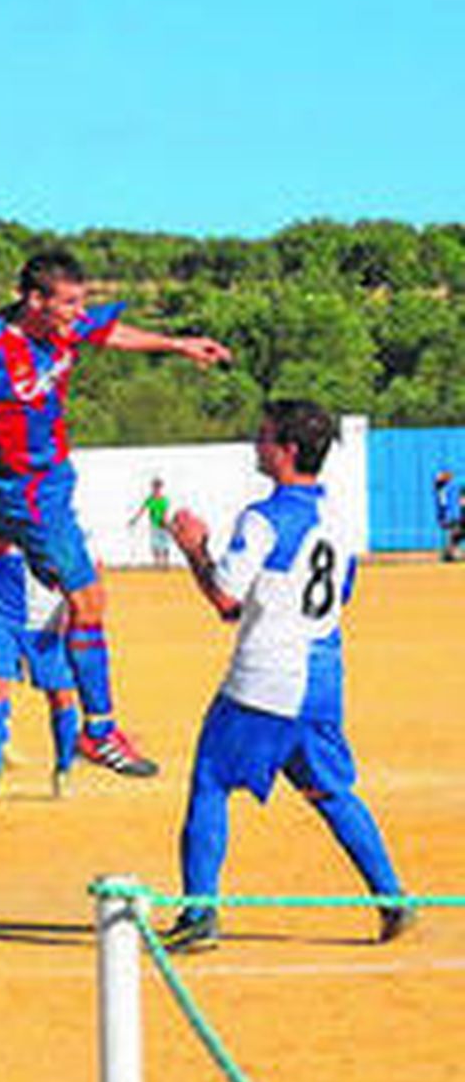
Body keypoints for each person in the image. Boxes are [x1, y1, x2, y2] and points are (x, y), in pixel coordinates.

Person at [0, 248, 230, 778]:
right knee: (89, 601)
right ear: (34, 301)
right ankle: (100, 730)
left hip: (47, 481)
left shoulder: (66, 327)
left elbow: (110, 332)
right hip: (28, 492)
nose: (79, 313)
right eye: (69, 303)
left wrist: (177, 344)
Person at [159, 400, 410, 954]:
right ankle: (391, 897)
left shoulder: (265, 517)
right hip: (321, 678)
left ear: (288, 450)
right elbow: (336, 596)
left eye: (265, 437)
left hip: (266, 678)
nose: (257, 444)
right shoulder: (339, 520)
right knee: (331, 791)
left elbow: (225, 595)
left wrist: (195, 547)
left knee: (211, 782)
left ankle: (200, 914)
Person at [0, 550, 80, 804]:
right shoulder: (0, 519)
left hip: (47, 623)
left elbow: (88, 573)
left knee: (62, 697)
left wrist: (76, 613)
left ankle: (64, 770)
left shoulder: (62, 524)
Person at [129, 477, 173, 568]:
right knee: (155, 545)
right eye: (154, 487)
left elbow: (166, 513)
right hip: (154, 526)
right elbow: (142, 510)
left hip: (163, 526)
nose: (156, 489)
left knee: (165, 545)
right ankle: (157, 563)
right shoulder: (150, 500)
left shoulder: (164, 500)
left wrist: (166, 524)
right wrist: (134, 520)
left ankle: (166, 563)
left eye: (158, 487)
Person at [433, 470, 460, 562]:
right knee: (455, 533)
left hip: (450, 515)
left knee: (455, 534)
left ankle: (449, 554)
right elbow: (443, 505)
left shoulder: (444, 489)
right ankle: (449, 554)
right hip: (450, 516)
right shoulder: (443, 490)